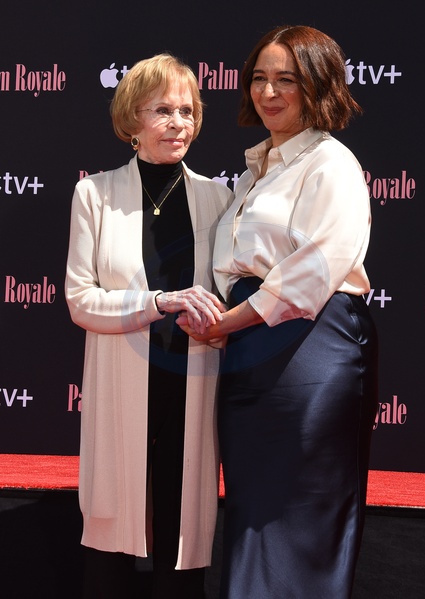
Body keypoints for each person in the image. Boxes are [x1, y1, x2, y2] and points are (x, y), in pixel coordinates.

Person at [177, 25, 379, 599]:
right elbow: (234, 268)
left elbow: (313, 270)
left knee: (301, 510)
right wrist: (223, 321)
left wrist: (231, 321)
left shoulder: (331, 163)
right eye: (260, 78)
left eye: (286, 79)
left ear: (318, 85)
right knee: (254, 512)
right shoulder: (253, 172)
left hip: (312, 349)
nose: (269, 92)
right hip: (249, 351)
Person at [65, 53, 233, 599]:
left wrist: (222, 321)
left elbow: (229, 297)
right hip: (121, 386)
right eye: (163, 110)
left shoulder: (219, 197)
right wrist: (157, 302)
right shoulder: (94, 194)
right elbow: (80, 300)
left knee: (182, 540)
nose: (179, 123)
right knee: (111, 537)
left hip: (192, 383)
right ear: (131, 120)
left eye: (187, 111)